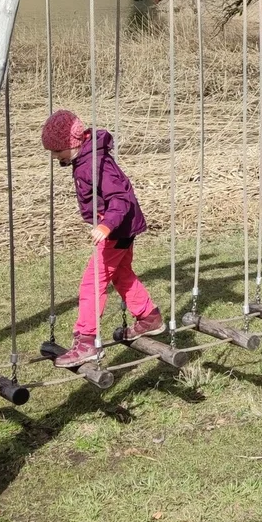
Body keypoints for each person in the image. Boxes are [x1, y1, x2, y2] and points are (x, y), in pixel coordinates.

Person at [42, 109, 160, 369]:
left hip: (117, 229)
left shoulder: (96, 164)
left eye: (57, 150)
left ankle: (87, 341)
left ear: (73, 142)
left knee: (92, 283)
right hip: (122, 227)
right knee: (122, 274)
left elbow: (120, 198)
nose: (55, 156)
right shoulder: (85, 158)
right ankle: (149, 317)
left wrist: (106, 225)